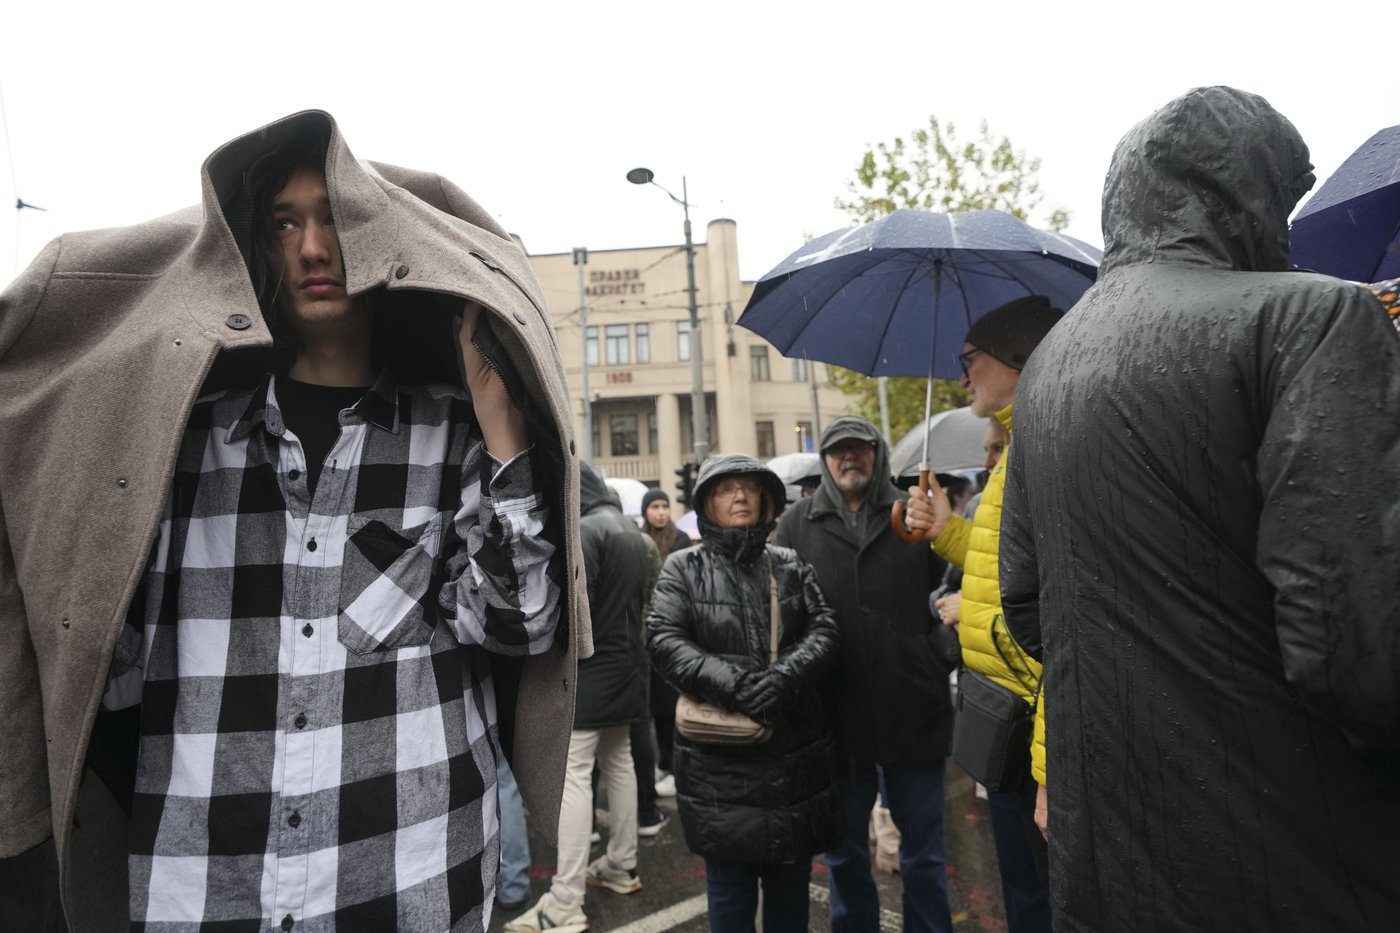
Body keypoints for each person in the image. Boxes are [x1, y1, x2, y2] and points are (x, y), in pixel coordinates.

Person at [0, 112, 586, 933]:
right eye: (285, 222)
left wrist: (502, 424)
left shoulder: (449, 432)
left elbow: (520, 623)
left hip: (410, 878)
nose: (314, 247)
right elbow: (108, 658)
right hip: (207, 888)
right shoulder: (183, 440)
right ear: (257, 250)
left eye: (336, 218)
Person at [999, 86, 1400, 931]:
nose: (1286, 232)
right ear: (1240, 193)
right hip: (1292, 858)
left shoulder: (1048, 366)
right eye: (1281, 202)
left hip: (1104, 853)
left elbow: (1027, 604)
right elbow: (1357, 648)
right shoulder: (1312, 317)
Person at [905, 297, 1063, 933]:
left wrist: (1051, 772)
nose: (962, 375)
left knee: (1050, 898)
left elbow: (1067, 620)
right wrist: (946, 530)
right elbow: (1005, 566)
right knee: (1024, 892)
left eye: (970, 359)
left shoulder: (1047, 446)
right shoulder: (1019, 445)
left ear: (1016, 358)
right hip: (1010, 719)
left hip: (1037, 732)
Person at [774, 417, 955, 933]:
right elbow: (785, 613)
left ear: (876, 454)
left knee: (923, 852)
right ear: (826, 461)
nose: (848, 458)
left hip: (914, 703)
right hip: (836, 713)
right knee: (844, 852)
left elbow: (955, 587)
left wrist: (938, 649)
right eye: (837, 451)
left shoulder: (915, 511)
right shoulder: (797, 523)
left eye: (859, 448)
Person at [649, 454, 840, 933]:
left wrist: (784, 678)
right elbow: (664, 641)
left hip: (791, 760)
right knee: (730, 903)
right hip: (720, 769)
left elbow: (825, 630)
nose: (739, 496)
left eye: (749, 488)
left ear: (766, 500)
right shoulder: (682, 568)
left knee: (789, 902)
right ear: (706, 502)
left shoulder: (790, 565)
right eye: (725, 488)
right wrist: (736, 686)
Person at [507, 461, 648, 932]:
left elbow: (571, 609)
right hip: (629, 670)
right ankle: (621, 864)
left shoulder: (586, 530)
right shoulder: (629, 529)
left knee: (574, 777)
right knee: (620, 763)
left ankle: (565, 901)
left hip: (591, 674)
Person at [639, 486, 693, 795]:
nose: (661, 512)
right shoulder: (641, 541)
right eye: (655, 506)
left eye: (664, 506)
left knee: (674, 703)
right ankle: (664, 763)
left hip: (676, 629)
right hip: (651, 635)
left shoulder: (680, 540)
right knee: (657, 705)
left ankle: (675, 765)